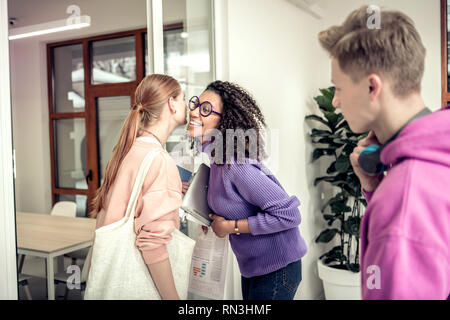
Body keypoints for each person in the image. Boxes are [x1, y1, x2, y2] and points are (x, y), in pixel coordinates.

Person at [318, 6, 450, 299]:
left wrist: (391, 199)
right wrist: (377, 190)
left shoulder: (405, 197)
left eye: (337, 88)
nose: (336, 102)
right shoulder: (438, 154)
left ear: (371, 87)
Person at [185, 80, 307, 300]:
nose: (193, 112)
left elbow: (289, 215)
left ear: (224, 122)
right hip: (254, 267)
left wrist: (230, 227)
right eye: (195, 105)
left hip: (277, 268)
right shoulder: (217, 160)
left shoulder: (236, 165)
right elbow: (233, 202)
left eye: (205, 109)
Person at [89, 74, 187, 300]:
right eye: (182, 99)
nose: (186, 105)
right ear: (171, 104)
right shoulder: (159, 160)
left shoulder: (128, 149)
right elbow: (152, 244)